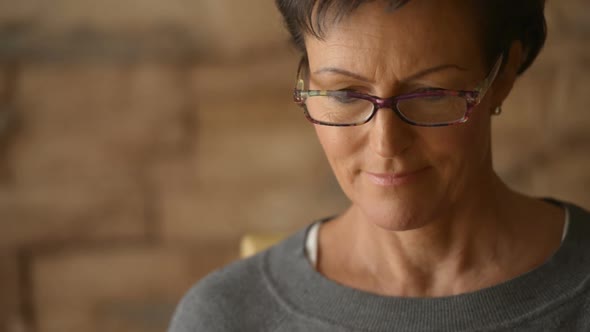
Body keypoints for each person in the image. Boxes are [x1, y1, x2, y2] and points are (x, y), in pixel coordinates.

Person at [169, 1, 590, 331]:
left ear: (502, 75)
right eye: (345, 94)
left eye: (428, 93)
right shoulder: (227, 317)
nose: (386, 144)